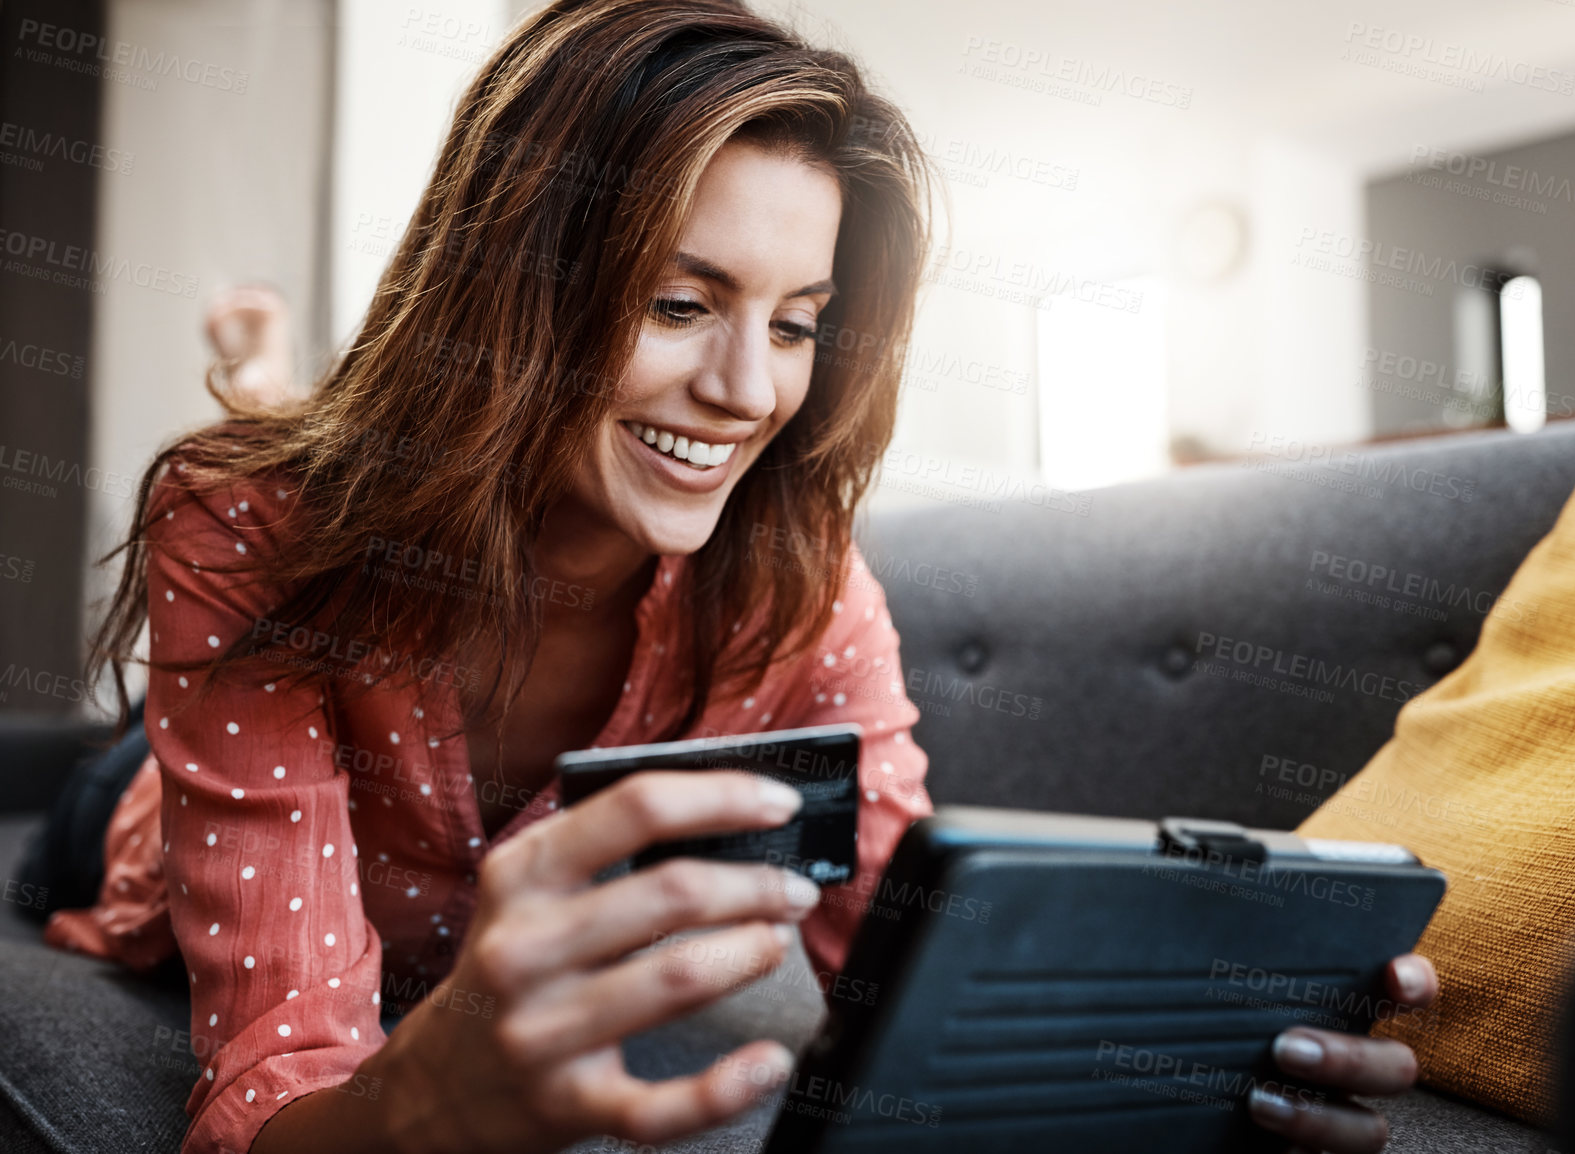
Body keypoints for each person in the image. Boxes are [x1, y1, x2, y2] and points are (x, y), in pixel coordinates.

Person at [43, 3, 1438, 1152]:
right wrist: (415, 1104)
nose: (745, 388)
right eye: (680, 302)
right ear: (512, 280)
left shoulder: (803, 587)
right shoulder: (239, 523)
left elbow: (908, 938)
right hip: (162, 821)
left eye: (797, 323)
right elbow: (274, 1081)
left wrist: (1188, 1044)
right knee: (128, 761)